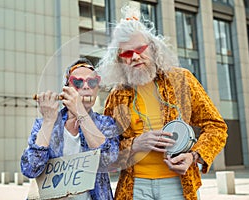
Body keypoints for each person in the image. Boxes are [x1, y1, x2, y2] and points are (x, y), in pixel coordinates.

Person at [97, 5, 228, 200]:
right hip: (134, 186)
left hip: (179, 184)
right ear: (119, 60)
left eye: (140, 49)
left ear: (154, 47)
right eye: (126, 54)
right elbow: (106, 147)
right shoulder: (117, 95)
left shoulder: (182, 80)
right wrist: (135, 145)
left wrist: (194, 156)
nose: (134, 57)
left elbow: (216, 126)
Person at [21, 58, 119, 200]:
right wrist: (48, 121)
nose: (86, 87)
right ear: (66, 89)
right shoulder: (43, 124)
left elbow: (110, 160)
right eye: (78, 82)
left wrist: (80, 113)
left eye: (92, 82)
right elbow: (31, 168)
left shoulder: (105, 124)